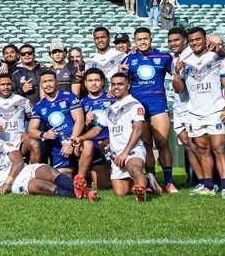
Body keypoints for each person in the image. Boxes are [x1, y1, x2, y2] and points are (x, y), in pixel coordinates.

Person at [173, 27, 225, 198]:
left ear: (205, 39)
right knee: (202, 149)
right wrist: (177, 74)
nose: (195, 43)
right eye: (192, 41)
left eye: (198, 39)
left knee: (219, 148)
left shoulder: (217, 57)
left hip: (216, 110)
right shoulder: (185, 60)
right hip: (194, 112)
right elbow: (178, 90)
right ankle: (208, 186)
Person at [120, 27, 174, 194]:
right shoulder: (129, 59)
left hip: (158, 106)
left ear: (151, 39)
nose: (142, 42)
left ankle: (169, 182)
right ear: (134, 42)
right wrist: (121, 72)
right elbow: (123, 83)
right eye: (139, 39)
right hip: (139, 109)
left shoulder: (164, 56)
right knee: (147, 144)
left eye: (145, 39)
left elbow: (177, 76)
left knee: (163, 143)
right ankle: (151, 180)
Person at [0, 130, 97, 200]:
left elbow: (18, 162)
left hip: (24, 170)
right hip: (15, 183)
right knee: (43, 186)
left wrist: (6, 182)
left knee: (49, 171)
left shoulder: (3, 145)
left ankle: (82, 191)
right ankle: (84, 196)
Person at [28, 71, 94, 184]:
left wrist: (71, 142)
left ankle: (80, 180)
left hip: (75, 141)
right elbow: (31, 130)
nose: (48, 84)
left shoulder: (68, 96)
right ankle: (74, 178)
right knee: (64, 182)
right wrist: (44, 134)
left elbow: (80, 120)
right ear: (40, 85)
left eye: (50, 81)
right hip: (59, 149)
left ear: (56, 82)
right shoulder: (39, 106)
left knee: (88, 145)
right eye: (44, 82)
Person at [166, 27, 201, 188]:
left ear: (185, 40)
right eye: (170, 41)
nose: (173, 44)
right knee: (188, 145)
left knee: (196, 145)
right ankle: (199, 180)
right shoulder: (173, 58)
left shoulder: (191, 56)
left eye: (176, 40)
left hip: (191, 107)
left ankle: (209, 180)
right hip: (179, 107)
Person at [105, 73, 149, 202]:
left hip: (132, 150)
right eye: (113, 84)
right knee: (120, 193)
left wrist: (125, 153)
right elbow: (98, 129)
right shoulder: (109, 109)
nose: (116, 87)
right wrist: (80, 138)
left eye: (120, 84)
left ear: (128, 85)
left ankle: (141, 193)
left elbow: (138, 129)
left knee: (134, 168)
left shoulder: (135, 105)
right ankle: (148, 182)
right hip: (116, 154)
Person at [0, 75, 41, 164]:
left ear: (12, 85)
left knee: (35, 144)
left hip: (20, 141)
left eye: (8, 84)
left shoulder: (23, 101)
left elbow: (35, 117)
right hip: (2, 144)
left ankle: (34, 172)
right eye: (2, 84)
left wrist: (28, 132)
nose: (6, 87)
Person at [74, 68, 114, 190]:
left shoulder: (112, 98)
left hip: (109, 143)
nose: (93, 83)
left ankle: (91, 174)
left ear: (102, 82)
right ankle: (81, 179)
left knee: (102, 186)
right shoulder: (81, 103)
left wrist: (109, 141)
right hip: (90, 143)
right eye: (90, 81)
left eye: (97, 80)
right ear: (85, 83)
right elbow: (81, 130)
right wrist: (86, 122)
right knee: (87, 144)